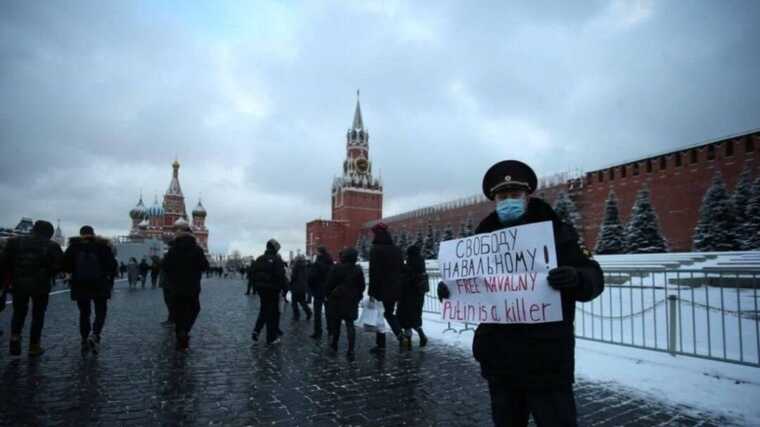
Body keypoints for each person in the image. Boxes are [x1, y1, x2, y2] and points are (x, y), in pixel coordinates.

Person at [437, 160, 604, 427]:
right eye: (503, 196)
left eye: (515, 195)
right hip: (500, 360)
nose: (508, 201)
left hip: (546, 360)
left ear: (528, 197)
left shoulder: (556, 231)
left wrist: (577, 277)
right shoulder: (482, 239)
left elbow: (593, 276)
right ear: (495, 200)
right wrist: (452, 290)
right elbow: (470, 284)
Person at [2, 220, 63, 356]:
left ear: (34, 229)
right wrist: (49, 271)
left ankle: (15, 338)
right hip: (41, 285)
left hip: (19, 283)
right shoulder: (52, 245)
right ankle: (34, 346)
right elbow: (60, 265)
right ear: (49, 233)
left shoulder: (15, 242)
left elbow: (4, 262)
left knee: (18, 313)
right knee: (38, 315)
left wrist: (8, 281)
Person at [62, 225, 118, 356]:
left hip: (80, 284)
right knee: (101, 311)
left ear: (80, 234)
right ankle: (95, 335)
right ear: (93, 234)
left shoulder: (74, 247)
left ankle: (83, 339)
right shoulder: (103, 246)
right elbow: (112, 265)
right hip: (100, 284)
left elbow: (65, 265)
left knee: (84, 313)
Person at [162, 224, 209, 351]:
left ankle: (180, 335)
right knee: (194, 308)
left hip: (175, 286)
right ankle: (185, 330)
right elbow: (205, 266)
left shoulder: (173, 249)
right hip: (192, 286)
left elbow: (165, 266)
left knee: (178, 311)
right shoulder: (197, 249)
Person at [367, 222, 404, 354]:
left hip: (380, 289)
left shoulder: (375, 249)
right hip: (395, 288)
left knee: (379, 316)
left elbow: (374, 272)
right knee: (389, 313)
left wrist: (371, 291)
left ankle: (381, 345)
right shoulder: (396, 249)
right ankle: (401, 335)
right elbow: (401, 269)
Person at [325, 247, 365, 358]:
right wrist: (357, 295)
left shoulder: (336, 268)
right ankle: (351, 349)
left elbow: (329, 284)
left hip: (337, 299)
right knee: (350, 324)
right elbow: (362, 286)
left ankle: (334, 345)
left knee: (336, 324)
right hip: (351, 300)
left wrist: (328, 294)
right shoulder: (358, 269)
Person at [250, 239, 287, 345]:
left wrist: (255, 287)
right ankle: (271, 338)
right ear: (275, 248)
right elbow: (281, 277)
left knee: (263, 310)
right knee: (273, 314)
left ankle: (256, 330)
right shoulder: (277, 260)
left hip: (261, 290)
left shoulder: (259, 259)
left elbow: (252, 274)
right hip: (273, 290)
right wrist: (284, 290)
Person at [398, 243, 428, 349]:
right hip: (419, 297)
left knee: (405, 320)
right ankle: (421, 335)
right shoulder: (421, 266)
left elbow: (405, 282)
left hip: (407, 298)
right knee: (415, 318)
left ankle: (407, 343)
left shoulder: (410, 266)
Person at [307, 246, 333, 339]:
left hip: (318, 290)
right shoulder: (331, 263)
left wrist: (312, 287)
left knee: (317, 313)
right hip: (328, 291)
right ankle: (331, 330)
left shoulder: (317, 264)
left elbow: (311, 278)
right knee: (328, 312)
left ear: (319, 253)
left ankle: (318, 332)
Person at [289, 255, 312, 321]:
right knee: (302, 301)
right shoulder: (305, 266)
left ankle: (296, 316)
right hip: (303, 287)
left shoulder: (296, 267)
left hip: (296, 287)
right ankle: (308, 312)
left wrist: (290, 284)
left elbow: (293, 277)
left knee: (294, 303)